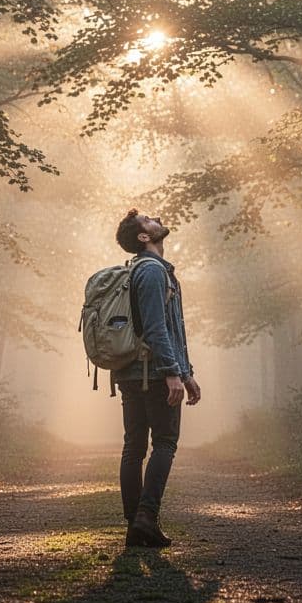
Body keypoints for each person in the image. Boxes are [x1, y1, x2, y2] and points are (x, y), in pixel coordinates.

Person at [113, 209, 201, 548]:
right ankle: (145, 519)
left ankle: (137, 525)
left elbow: (172, 330)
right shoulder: (151, 271)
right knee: (164, 442)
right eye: (150, 219)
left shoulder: (144, 270)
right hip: (151, 373)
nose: (158, 217)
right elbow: (156, 328)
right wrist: (172, 374)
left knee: (134, 445)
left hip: (136, 371)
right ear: (143, 237)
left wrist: (187, 372)